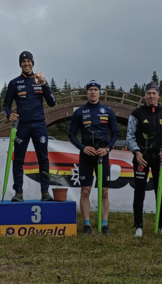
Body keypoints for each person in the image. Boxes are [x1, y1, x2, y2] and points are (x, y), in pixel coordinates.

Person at [3, 51, 56, 202]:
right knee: (18, 160)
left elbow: (52, 102)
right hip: (22, 126)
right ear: (20, 64)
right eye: (23, 61)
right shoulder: (14, 83)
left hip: (39, 125)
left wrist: (45, 85)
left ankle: (45, 192)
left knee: (43, 159)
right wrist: (9, 115)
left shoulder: (40, 81)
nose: (26, 64)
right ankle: (18, 193)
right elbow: (6, 104)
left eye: (29, 61)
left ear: (33, 63)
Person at [68, 80, 119, 235]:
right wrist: (83, 148)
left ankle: (104, 225)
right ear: (87, 92)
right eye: (90, 89)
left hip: (103, 154)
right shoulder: (79, 112)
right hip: (86, 155)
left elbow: (116, 133)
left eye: (96, 89)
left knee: (104, 192)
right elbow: (71, 134)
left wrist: (107, 148)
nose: (93, 92)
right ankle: (87, 225)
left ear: (99, 92)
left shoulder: (108, 111)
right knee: (85, 191)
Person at [126, 82, 162, 237]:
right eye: (149, 93)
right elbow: (129, 136)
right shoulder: (136, 113)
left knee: (160, 192)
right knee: (139, 192)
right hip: (142, 158)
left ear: (158, 95)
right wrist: (136, 152)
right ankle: (138, 226)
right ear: (145, 95)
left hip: (160, 159)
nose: (151, 96)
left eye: (154, 93)